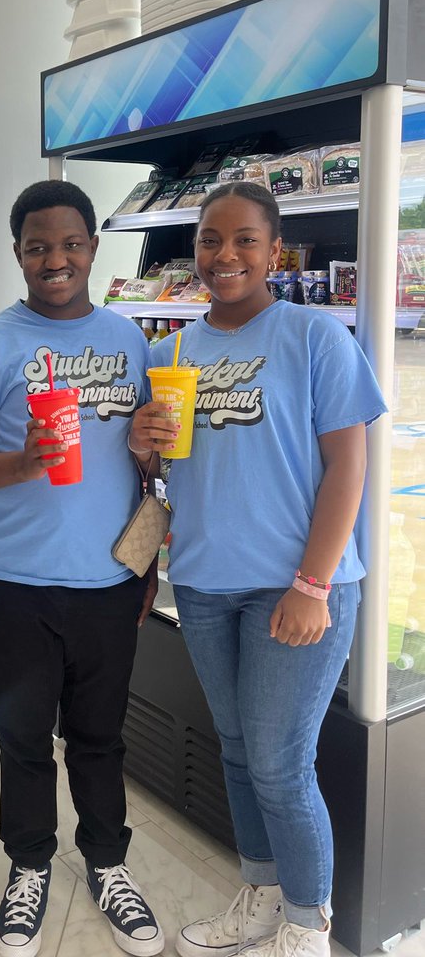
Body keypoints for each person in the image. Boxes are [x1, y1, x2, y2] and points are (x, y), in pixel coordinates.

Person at [130, 181, 387, 957]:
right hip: (206, 582)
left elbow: (348, 467)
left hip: (299, 586)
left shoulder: (315, 339)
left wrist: (312, 583)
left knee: (279, 761)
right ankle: (263, 896)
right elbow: (161, 470)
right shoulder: (169, 351)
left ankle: (308, 925)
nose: (225, 255)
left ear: (274, 252)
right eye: (211, 240)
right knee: (238, 751)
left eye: (245, 240)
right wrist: (143, 440)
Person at [0, 180, 163, 957]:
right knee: (24, 737)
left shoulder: (131, 340)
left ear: (93, 248)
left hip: (109, 583)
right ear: (19, 255)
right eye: (38, 247)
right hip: (19, 584)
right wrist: (21, 464)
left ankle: (107, 863)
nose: (55, 259)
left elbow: (145, 459)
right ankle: (29, 867)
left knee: (99, 738)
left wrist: (148, 557)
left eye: (69, 244)